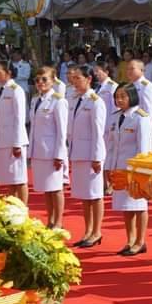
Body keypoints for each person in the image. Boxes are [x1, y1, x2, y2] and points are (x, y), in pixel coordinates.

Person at [105, 83, 152, 256]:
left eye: (123, 96)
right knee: (126, 206)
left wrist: (140, 172)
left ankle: (141, 241)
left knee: (139, 205)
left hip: (134, 169)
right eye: (117, 96)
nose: (119, 100)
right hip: (119, 169)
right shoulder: (115, 116)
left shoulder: (141, 117)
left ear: (132, 96)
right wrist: (108, 167)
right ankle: (130, 239)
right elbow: (111, 146)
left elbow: (144, 148)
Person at [67, 64, 107, 247]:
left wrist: (97, 157)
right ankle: (87, 230)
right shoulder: (75, 99)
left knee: (95, 194)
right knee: (84, 195)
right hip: (78, 152)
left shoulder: (95, 101)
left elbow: (98, 132)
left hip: (91, 153)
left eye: (78, 78)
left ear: (88, 79)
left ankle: (96, 231)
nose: (75, 82)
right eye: (73, 78)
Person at [28, 67, 68, 229]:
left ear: (53, 80)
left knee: (56, 188)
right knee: (46, 189)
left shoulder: (58, 101)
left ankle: (58, 221)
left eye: (44, 79)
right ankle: (50, 219)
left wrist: (59, 154)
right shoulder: (35, 99)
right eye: (38, 80)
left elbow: (61, 131)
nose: (40, 83)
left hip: (52, 152)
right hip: (39, 151)